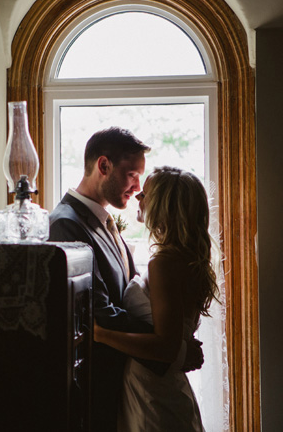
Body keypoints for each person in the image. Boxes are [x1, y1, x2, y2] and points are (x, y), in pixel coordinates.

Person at [49, 128, 202, 431]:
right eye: (132, 175)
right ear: (103, 166)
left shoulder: (106, 221)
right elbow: (98, 312)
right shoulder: (67, 224)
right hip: (101, 386)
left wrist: (171, 340)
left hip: (133, 383)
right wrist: (173, 348)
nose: (137, 188)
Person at [93, 166, 221, 432]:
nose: (139, 196)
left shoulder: (164, 263)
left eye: (146, 194)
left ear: (164, 205)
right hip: (157, 385)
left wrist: (100, 334)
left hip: (154, 390)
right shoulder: (181, 257)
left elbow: (166, 347)